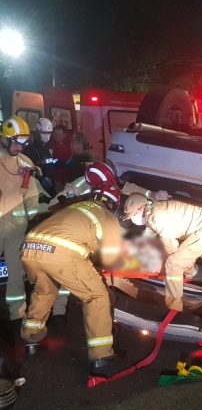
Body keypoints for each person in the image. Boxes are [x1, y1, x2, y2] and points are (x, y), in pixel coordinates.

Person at [20, 183, 130, 376]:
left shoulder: (77, 206)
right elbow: (110, 259)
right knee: (96, 297)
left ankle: (32, 340)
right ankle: (102, 357)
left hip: (30, 246)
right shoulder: (107, 216)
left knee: (44, 291)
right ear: (114, 203)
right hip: (62, 253)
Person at [123, 194, 202, 311]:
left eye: (133, 215)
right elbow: (148, 239)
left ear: (142, 207)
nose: (133, 219)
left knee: (174, 263)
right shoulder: (152, 213)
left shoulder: (157, 216)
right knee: (179, 262)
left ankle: (175, 309)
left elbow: (171, 247)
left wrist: (165, 268)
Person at [0, 116, 39, 323]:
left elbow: (31, 196)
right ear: (4, 139)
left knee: (16, 274)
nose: (19, 148)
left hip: (16, 229)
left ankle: (17, 313)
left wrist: (31, 220)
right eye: (16, 142)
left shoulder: (25, 164)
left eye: (23, 143)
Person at [24, 118, 57, 196]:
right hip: (37, 186)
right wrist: (40, 179)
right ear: (38, 132)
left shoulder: (49, 147)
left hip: (50, 183)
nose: (47, 135)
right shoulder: (30, 149)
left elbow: (52, 161)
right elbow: (27, 170)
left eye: (49, 133)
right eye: (44, 133)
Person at [50, 125, 71, 190]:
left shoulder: (70, 145)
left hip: (68, 175)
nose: (56, 136)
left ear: (65, 135)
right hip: (57, 176)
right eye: (55, 134)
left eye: (59, 134)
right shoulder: (51, 146)